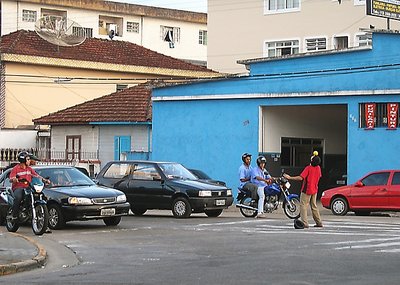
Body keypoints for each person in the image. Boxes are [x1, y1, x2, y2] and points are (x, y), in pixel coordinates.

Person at [283, 151, 323, 228]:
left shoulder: (308, 168)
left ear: (312, 161)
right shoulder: (318, 168)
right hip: (315, 189)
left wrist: (290, 177)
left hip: (307, 190)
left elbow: (300, 177)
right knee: (314, 206)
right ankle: (319, 222)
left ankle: (305, 223)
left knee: (303, 206)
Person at [9, 151, 49, 220]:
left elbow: (37, 176)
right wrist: (14, 179)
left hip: (29, 187)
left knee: (40, 195)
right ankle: (14, 215)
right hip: (19, 187)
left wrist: (44, 180)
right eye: (28, 159)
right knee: (18, 197)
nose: (29, 161)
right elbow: (11, 178)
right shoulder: (15, 169)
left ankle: (44, 220)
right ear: (23, 160)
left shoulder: (29, 169)